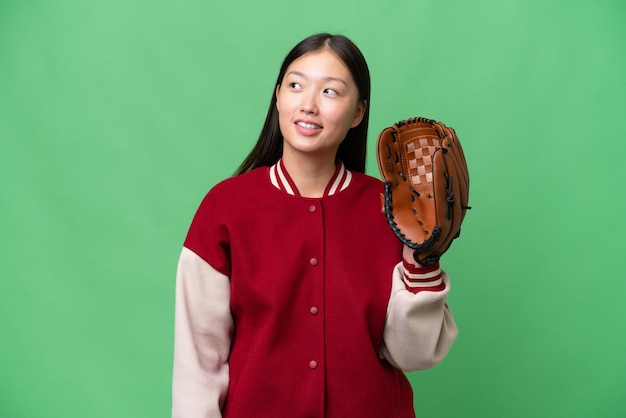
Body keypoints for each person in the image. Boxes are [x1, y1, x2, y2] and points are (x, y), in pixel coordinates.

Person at [172, 33, 458, 418]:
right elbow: (198, 366)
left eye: (331, 92)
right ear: (277, 97)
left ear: (358, 112)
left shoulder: (396, 209)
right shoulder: (224, 207)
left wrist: (421, 260)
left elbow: (414, 354)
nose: (308, 105)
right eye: (295, 85)